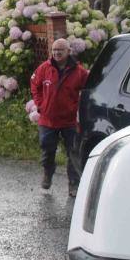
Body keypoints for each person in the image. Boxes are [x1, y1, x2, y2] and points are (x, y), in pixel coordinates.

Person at [30, 38, 89, 197]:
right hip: (48, 120)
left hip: (69, 121)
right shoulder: (44, 68)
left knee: (73, 153)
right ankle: (48, 173)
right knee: (47, 149)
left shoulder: (79, 72)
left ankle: (74, 185)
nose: (56, 53)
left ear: (68, 51)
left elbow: (89, 89)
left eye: (60, 50)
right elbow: (35, 85)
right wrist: (40, 105)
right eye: (54, 50)